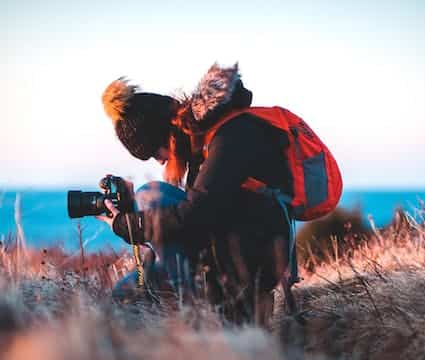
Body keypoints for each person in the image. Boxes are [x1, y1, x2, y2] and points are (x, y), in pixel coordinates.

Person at [100, 63, 341, 321]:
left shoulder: (233, 135)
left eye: (154, 152)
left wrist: (129, 224)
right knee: (123, 294)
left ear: (167, 135)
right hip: (229, 247)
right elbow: (192, 218)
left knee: (151, 195)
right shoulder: (203, 147)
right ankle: (174, 313)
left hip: (256, 255)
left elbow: (196, 214)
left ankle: (197, 315)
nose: (159, 162)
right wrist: (130, 212)